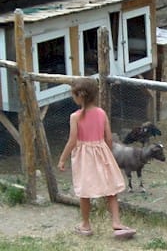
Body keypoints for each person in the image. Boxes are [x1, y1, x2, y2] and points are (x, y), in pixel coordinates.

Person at [58, 78, 135, 238]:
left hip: (84, 158)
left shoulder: (75, 117)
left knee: (84, 192)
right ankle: (116, 223)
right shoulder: (101, 113)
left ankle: (85, 225)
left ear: (79, 96)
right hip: (102, 153)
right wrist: (108, 153)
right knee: (111, 189)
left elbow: (72, 140)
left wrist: (62, 159)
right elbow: (108, 138)